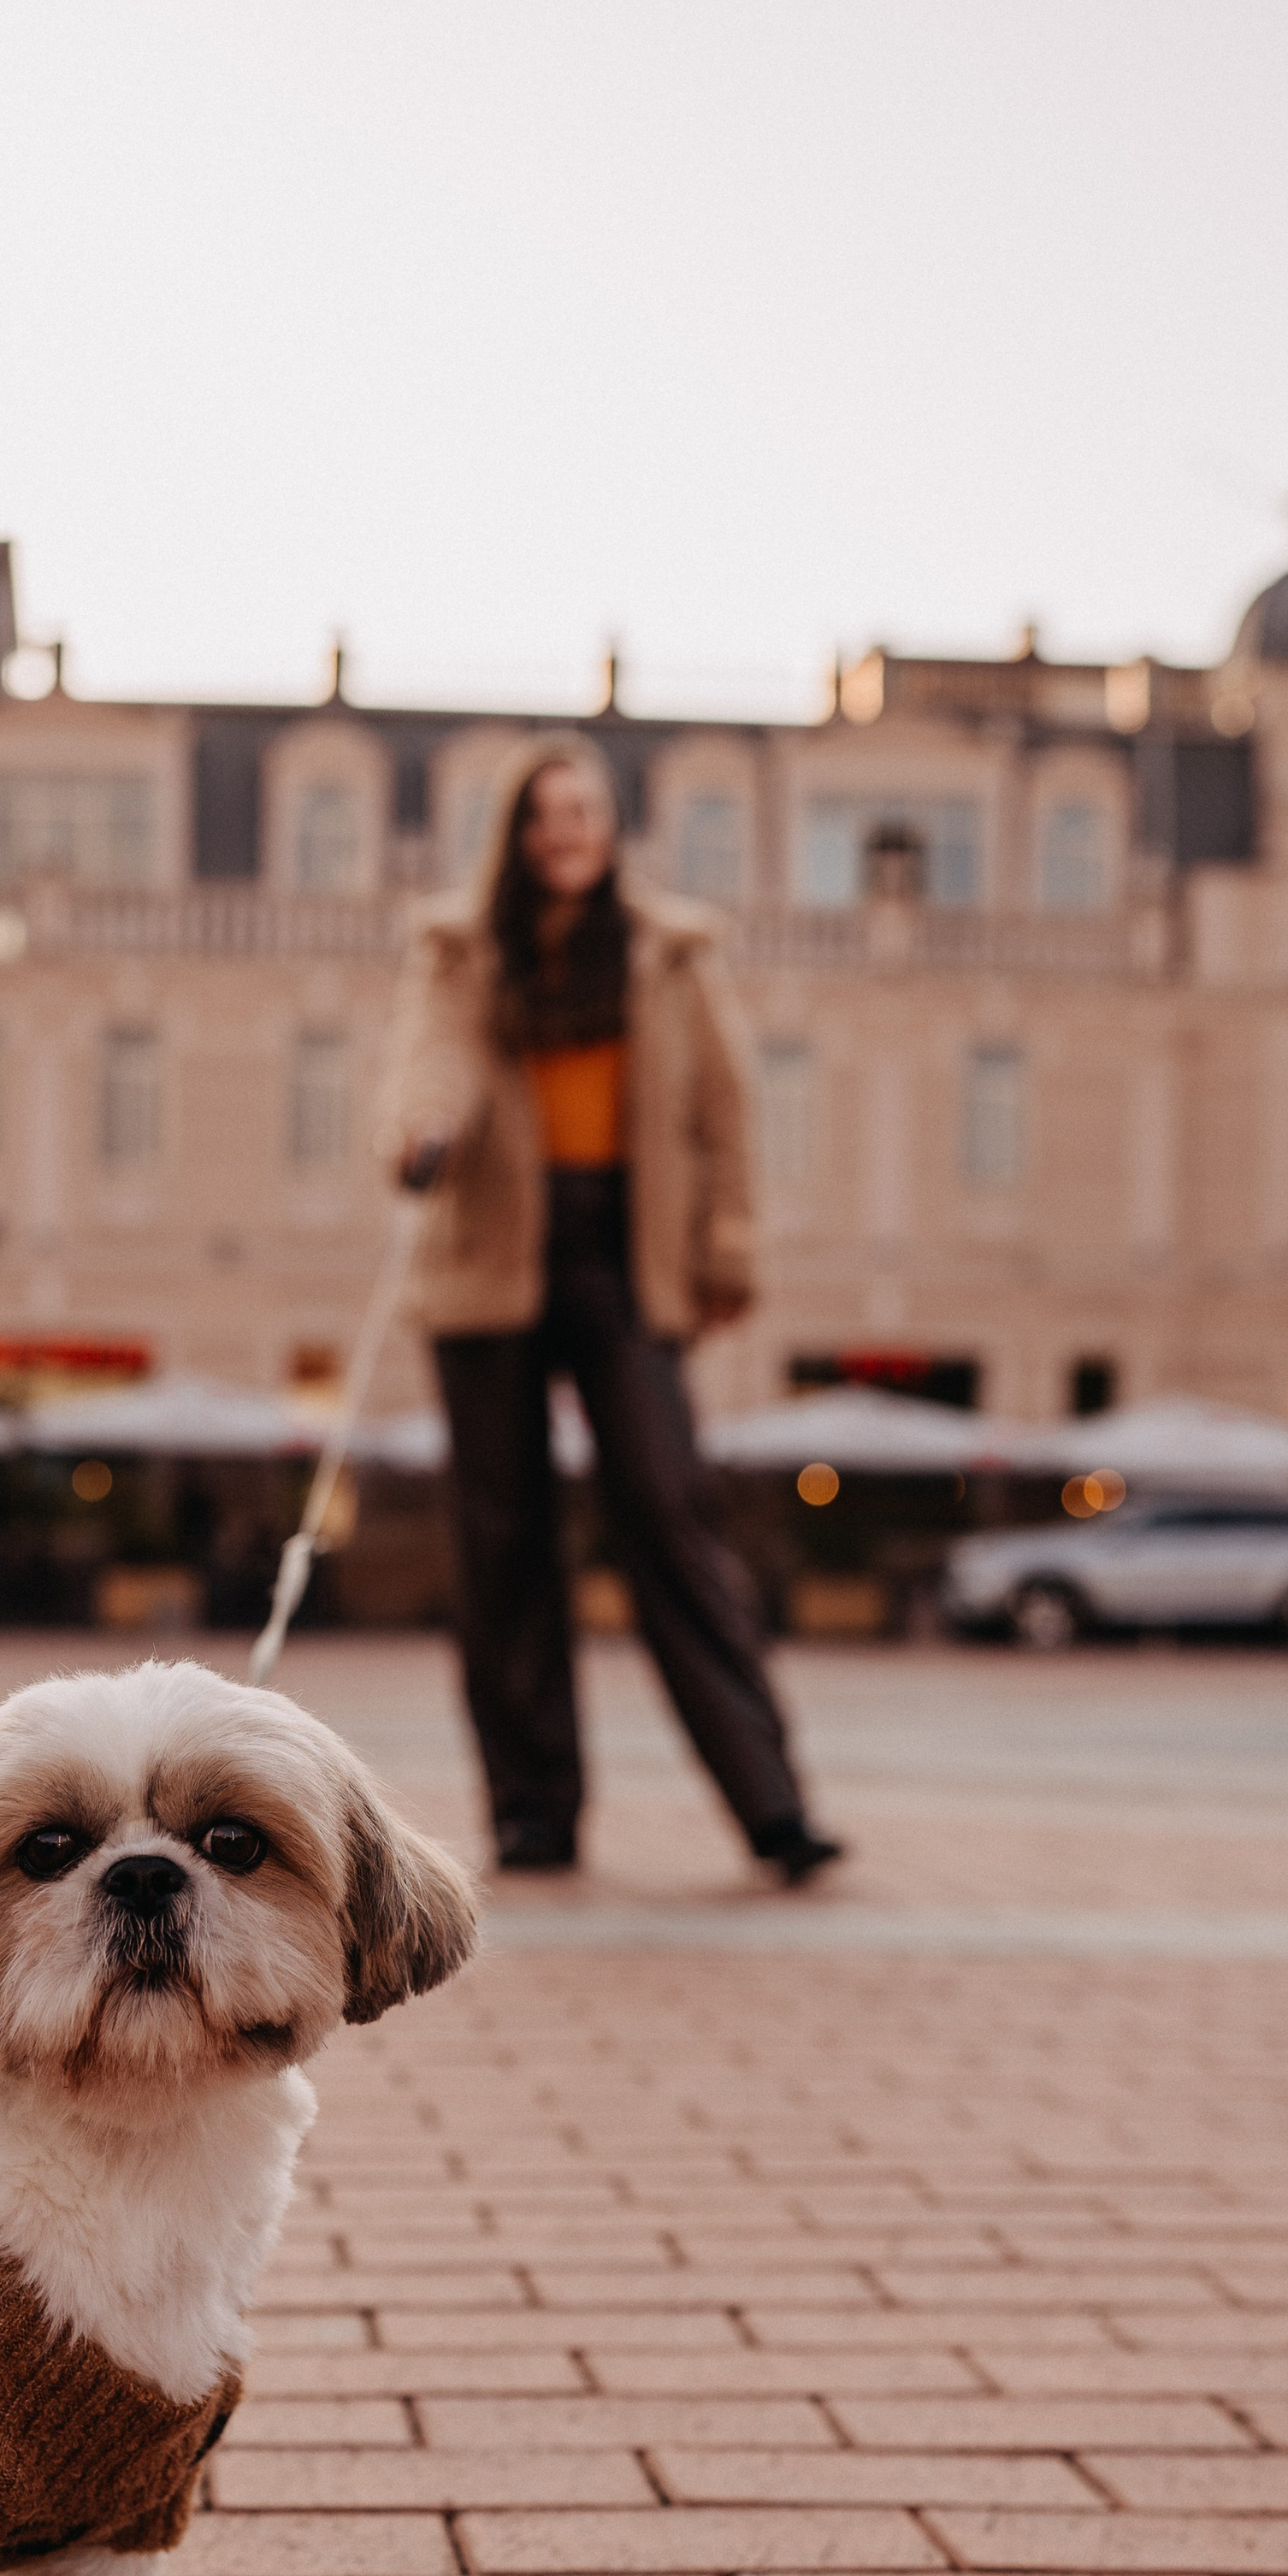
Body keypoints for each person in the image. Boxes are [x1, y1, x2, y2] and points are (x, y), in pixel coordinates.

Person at [381, 733, 842, 1883]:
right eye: (543, 816)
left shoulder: (667, 956)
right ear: (516, 834)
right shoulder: (465, 952)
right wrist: (421, 1134)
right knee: (504, 1540)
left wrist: (724, 1251)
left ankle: (773, 1807)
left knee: (671, 1517)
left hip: (623, 1254)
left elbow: (723, 1113)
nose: (564, 833)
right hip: (492, 1247)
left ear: (610, 828)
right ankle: (533, 1812)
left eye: (581, 813)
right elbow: (433, 1058)